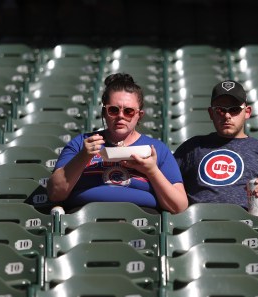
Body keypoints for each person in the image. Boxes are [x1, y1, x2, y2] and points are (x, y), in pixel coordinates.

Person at [47, 73, 188, 214]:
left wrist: (152, 171)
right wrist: (83, 156)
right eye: (113, 110)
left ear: (140, 115)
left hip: (142, 223)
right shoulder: (82, 143)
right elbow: (55, 193)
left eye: (129, 111)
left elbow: (179, 206)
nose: (121, 116)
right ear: (104, 112)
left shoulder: (156, 149)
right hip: (85, 221)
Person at [173, 80, 258, 210]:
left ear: (247, 112)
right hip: (199, 224)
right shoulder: (192, 147)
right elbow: (168, 185)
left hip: (247, 225)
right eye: (220, 110)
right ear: (211, 113)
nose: (227, 116)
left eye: (234, 110)